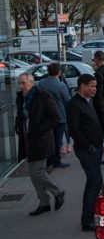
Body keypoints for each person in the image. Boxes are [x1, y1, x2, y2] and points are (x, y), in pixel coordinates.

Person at [15, 73, 65, 216]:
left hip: (41, 141)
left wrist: (39, 131)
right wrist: (18, 126)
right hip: (27, 142)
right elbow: (20, 116)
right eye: (19, 83)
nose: (21, 86)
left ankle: (57, 192)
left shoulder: (43, 96)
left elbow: (55, 118)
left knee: (37, 172)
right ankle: (44, 203)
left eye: (23, 83)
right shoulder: (21, 98)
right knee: (33, 174)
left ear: (31, 83)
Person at [66, 74, 104, 231]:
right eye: (92, 86)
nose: (95, 89)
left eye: (95, 86)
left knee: (95, 182)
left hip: (95, 148)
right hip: (87, 150)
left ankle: (91, 216)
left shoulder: (88, 101)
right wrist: (89, 146)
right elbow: (74, 130)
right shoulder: (74, 104)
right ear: (82, 86)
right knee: (94, 182)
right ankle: (87, 220)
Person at [37, 62, 71, 169]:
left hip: (45, 115)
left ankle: (48, 160)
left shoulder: (41, 83)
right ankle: (56, 161)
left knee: (48, 139)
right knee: (57, 140)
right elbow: (67, 100)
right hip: (59, 116)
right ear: (59, 72)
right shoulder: (61, 85)